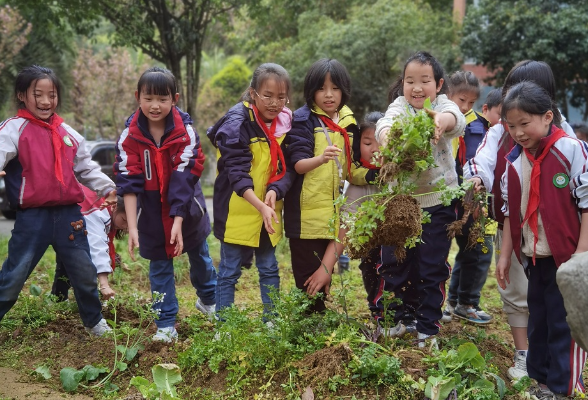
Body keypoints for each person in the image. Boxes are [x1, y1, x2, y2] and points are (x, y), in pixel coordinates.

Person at [464, 60, 577, 379]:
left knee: (558, 297)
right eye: (511, 91)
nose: (517, 128)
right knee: (516, 290)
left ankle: (562, 362)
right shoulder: (500, 132)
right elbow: (482, 161)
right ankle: (524, 355)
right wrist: (476, 181)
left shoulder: (564, 136)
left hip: (559, 233)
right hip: (513, 226)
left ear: (547, 104)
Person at [0, 65, 116, 336]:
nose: (44, 101)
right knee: (15, 274)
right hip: (33, 218)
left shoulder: (68, 133)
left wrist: (107, 188)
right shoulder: (13, 129)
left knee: (85, 272)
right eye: (37, 94)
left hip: (69, 217)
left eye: (51, 95)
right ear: (21, 95)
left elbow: (86, 168)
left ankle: (94, 322)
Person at [497, 81, 587, 399]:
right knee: (540, 319)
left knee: (565, 325)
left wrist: (581, 255)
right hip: (535, 258)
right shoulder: (513, 162)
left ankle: (564, 387)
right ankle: (542, 381)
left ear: (547, 117)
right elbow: (510, 213)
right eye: (512, 126)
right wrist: (506, 256)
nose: (519, 132)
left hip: (569, 258)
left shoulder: (570, 151)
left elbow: (587, 203)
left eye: (525, 123)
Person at [115, 67, 214, 342]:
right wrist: (133, 227)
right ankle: (166, 324)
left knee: (201, 259)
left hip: (187, 211)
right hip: (151, 217)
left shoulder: (186, 134)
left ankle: (209, 300)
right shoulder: (129, 138)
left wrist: (179, 219)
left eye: (162, 99)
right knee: (159, 269)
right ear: (138, 97)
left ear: (175, 99)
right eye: (148, 98)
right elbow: (129, 184)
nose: (155, 105)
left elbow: (185, 179)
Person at [374, 51, 466, 347]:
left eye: (424, 80)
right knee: (395, 263)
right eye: (410, 80)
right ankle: (399, 318)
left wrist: (441, 119)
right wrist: (389, 137)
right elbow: (384, 125)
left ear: (438, 84)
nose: (416, 87)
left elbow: (457, 120)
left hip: (439, 202)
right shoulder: (399, 107)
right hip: (401, 203)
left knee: (431, 266)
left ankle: (428, 326)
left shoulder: (442, 106)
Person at [284, 58, 376, 312]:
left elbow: (352, 169)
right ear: (311, 90)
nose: (328, 95)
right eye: (321, 88)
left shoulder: (348, 123)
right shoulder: (303, 120)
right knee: (307, 279)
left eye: (335, 88)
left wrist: (375, 175)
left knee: (325, 277)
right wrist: (320, 158)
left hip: (332, 215)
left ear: (343, 90)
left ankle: (316, 321)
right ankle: (309, 326)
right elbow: (298, 164)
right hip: (305, 217)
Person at [206, 63, 293, 317]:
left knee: (268, 267)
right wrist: (261, 207)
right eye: (267, 96)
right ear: (253, 93)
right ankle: (225, 324)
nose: (274, 103)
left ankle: (272, 319)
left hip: (268, 210)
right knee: (229, 270)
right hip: (237, 212)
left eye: (281, 97)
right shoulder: (237, 124)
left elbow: (286, 168)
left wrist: (276, 191)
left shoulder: (285, 123)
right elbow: (237, 174)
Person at [442, 73, 495, 325]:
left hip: (471, 197)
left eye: (470, 102)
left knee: (477, 248)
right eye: (461, 99)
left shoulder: (480, 126)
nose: (464, 107)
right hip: (441, 195)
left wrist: (477, 196)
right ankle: (439, 302)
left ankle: (465, 302)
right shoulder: (438, 119)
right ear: (448, 94)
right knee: (437, 251)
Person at [340, 111, 384, 319]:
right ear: (358, 145)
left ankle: (401, 311)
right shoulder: (357, 181)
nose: (375, 149)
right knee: (370, 267)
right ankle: (377, 310)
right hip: (369, 242)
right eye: (368, 143)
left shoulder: (400, 176)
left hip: (395, 244)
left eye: (380, 142)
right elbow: (347, 219)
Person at [51, 187, 128, 301]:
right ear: (114, 207)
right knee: (75, 263)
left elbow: (106, 243)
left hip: (68, 224)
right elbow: (97, 245)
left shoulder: (108, 208)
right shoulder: (98, 212)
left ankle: (59, 298)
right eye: (124, 220)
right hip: (60, 222)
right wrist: (104, 284)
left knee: (66, 263)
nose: (125, 226)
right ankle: (81, 303)